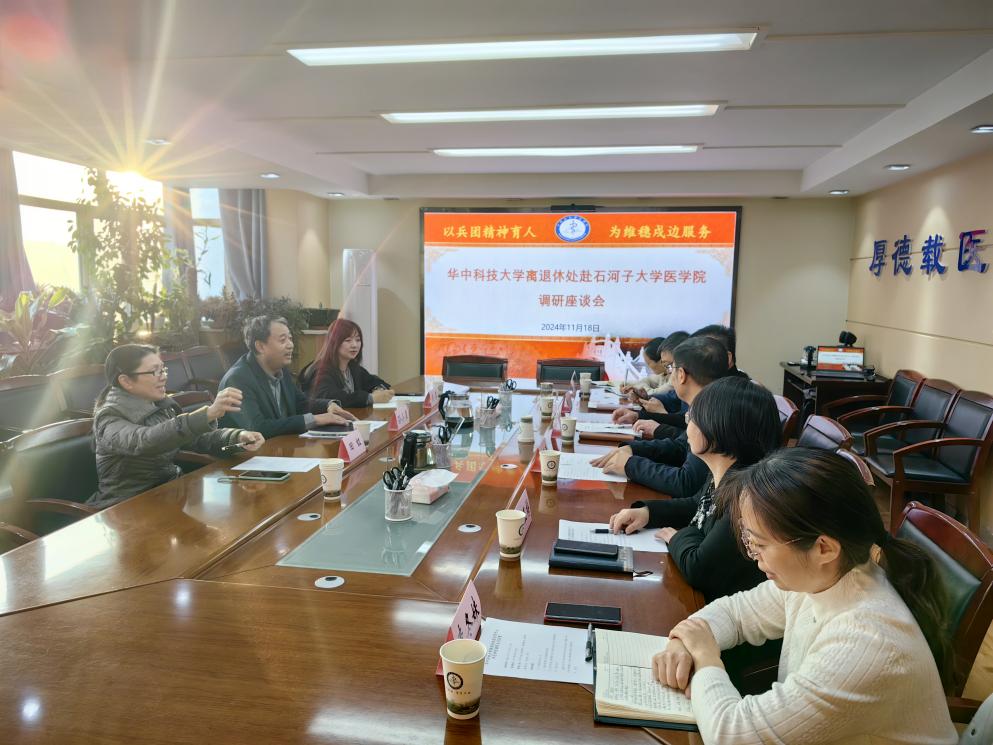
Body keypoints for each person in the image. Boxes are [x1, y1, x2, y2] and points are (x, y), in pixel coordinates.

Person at [655, 448, 956, 745]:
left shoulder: (866, 642)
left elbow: (731, 736)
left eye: (759, 544)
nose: (753, 555)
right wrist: (685, 641)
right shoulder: (822, 577)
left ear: (824, 548)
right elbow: (736, 612)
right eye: (748, 540)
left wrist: (705, 657)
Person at [608, 376, 780, 601]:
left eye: (693, 418)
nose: (687, 424)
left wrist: (677, 537)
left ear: (718, 430)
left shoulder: (745, 497)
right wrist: (648, 512)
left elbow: (698, 568)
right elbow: (695, 505)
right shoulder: (725, 472)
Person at [90, 344, 265, 508]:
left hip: (167, 494)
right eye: (155, 372)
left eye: (163, 369)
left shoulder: (157, 405)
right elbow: (144, 441)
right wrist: (207, 414)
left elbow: (196, 439)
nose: (164, 376)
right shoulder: (108, 417)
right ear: (126, 381)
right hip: (127, 507)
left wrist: (237, 437)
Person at [592, 336, 728, 497]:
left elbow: (686, 482)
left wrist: (631, 465)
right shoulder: (709, 405)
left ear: (681, 374)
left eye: (671, 368)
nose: (669, 376)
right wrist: (633, 449)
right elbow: (681, 446)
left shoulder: (712, 416)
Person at [219, 315, 356, 438]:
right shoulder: (238, 379)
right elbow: (257, 427)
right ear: (260, 346)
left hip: (278, 448)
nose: (290, 345)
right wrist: (315, 419)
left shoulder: (280, 370)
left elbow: (300, 403)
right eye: (283, 340)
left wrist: (328, 405)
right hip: (246, 455)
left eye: (290, 339)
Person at [303, 318, 394, 408]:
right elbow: (333, 398)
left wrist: (378, 390)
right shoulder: (320, 371)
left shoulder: (352, 367)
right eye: (348, 340)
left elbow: (374, 381)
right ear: (334, 342)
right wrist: (371, 398)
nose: (354, 345)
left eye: (358, 340)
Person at [620, 332, 688, 399]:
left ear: (661, 361)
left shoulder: (675, 377)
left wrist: (637, 388)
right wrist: (630, 385)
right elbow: (648, 380)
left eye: (648, 363)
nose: (668, 369)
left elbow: (654, 394)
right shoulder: (665, 375)